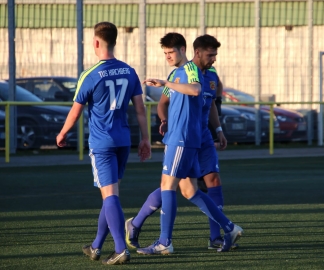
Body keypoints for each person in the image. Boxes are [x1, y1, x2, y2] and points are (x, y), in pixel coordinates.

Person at [131, 32, 243, 255]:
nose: (168, 56)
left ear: (184, 50)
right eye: (165, 53)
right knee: (189, 190)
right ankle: (229, 228)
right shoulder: (178, 73)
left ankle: (164, 241)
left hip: (182, 138)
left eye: (171, 52)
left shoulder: (190, 70)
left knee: (167, 185)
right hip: (185, 137)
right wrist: (165, 114)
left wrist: (164, 82)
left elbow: (195, 89)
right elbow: (168, 100)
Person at [56, 22, 151, 265]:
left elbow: (75, 112)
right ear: (115, 41)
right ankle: (97, 246)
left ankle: (121, 248)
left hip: (102, 143)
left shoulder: (90, 75)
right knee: (111, 195)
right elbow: (140, 109)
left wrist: (63, 133)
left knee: (110, 197)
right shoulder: (129, 71)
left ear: (96, 42)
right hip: (122, 141)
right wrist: (145, 138)